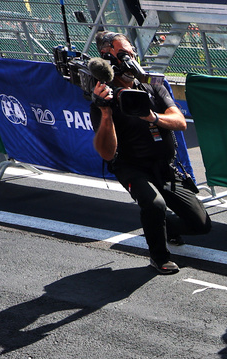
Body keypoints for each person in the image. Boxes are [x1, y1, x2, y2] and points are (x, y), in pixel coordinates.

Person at [90, 31, 210, 275]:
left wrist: (152, 116)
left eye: (130, 51)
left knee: (201, 224)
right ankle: (159, 257)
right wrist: (105, 112)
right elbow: (106, 152)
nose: (129, 58)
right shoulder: (103, 98)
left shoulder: (153, 86)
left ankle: (167, 228)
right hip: (131, 166)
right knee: (154, 204)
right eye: (121, 54)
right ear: (108, 60)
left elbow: (180, 121)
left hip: (163, 165)